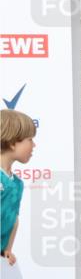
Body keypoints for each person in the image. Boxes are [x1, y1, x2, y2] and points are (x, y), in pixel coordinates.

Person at [1, 110, 36, 265]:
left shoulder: (17, 183)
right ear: (12, 142)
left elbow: (13, 219)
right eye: (30, 139)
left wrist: (7, 249)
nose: (34, 145)